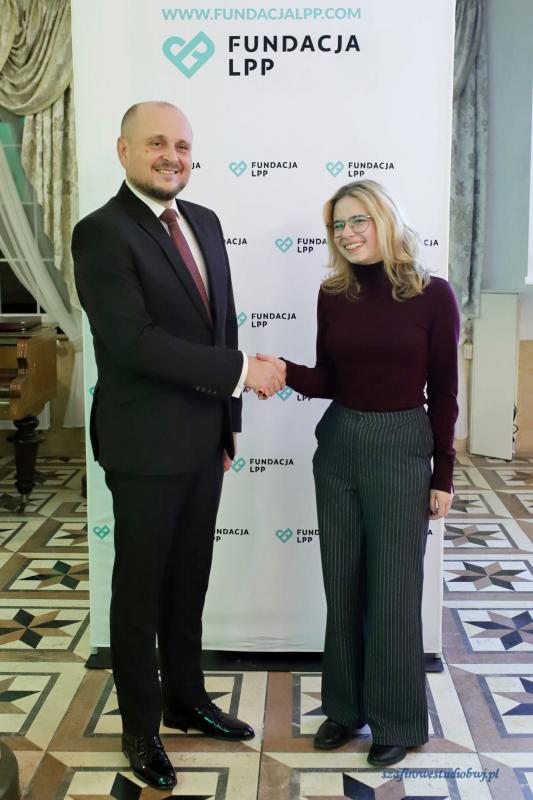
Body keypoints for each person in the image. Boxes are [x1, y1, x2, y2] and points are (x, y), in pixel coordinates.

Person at [72, 101, 285, 790]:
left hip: (202, 442)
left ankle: (186, 701)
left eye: (183, 146)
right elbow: (133, 343)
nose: (172, 156)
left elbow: (221, 326)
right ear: (124, 150)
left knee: (189, 580)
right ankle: (140, 727)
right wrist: (241, 374)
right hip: (142, 445)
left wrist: (228, 424)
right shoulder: (101, 233)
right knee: (139, 591)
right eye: (157, 143)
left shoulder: (206, 221)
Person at [258, 179, 460, 767]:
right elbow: (331, 379)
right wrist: (283, 370)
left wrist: (443, 473)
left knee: (394, 589)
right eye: (337, 226)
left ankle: (397, 719)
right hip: (340, 443)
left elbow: (445, 394)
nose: (346, 234)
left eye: (357, 221)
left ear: (385, 220)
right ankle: (345, 710)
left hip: (402, 446)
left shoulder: (434, 295)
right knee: (342, 582)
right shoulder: (333, 294)